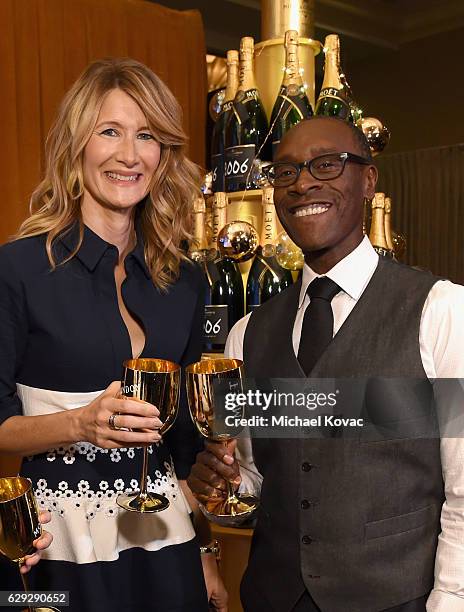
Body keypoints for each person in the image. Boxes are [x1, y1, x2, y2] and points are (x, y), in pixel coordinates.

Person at [188, 116, 464, 611]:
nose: (304, 183)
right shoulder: (246, 335)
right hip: (274, 598)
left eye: (327, 165)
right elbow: (256, 484)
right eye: (286, 171)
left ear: (368, 180)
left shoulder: (440, 310)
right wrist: (224, 488)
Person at [0, 58, 227, 612]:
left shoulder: (185, 281)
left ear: (162, 154)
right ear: (77, 147)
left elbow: (181, 444)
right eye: (109, 131)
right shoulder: (18, 269)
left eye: (146, 135)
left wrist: (208, 551)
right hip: (56, 543)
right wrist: (79, 423)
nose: (129, 155)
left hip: (164, 536)